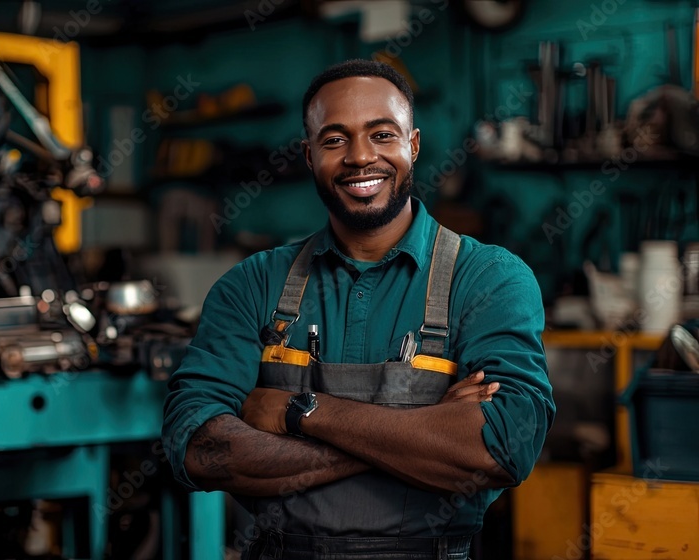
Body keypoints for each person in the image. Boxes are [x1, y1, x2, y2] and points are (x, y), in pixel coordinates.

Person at [161, 59, 555, 560]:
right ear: (308, 155)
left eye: (382, 134)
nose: (360, 157)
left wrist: (295, 411)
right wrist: (422, 430)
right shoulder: (253, 284)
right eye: (334, 140)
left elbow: (503, 448)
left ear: (413, 144)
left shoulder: (489, 279)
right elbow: (199, 449)